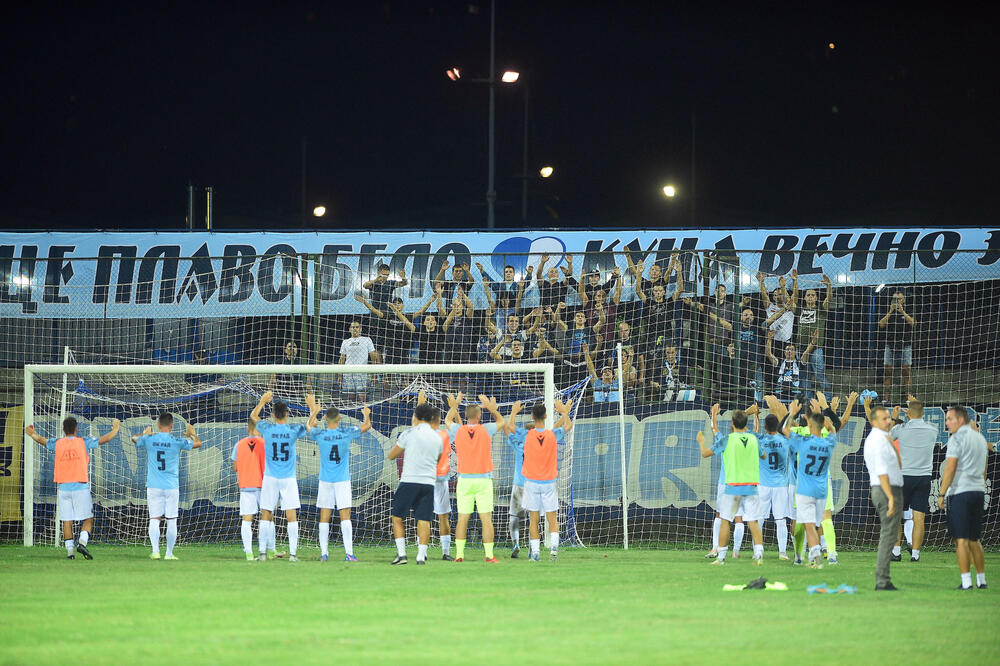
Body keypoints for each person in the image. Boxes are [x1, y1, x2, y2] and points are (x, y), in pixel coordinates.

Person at [25, 416, 120, 559]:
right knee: (88, 519)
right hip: (80, 487)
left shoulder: (58, 443)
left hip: (63, 488)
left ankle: (70, 553)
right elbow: (104, 439)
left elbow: (41, 440)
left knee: (67, 521)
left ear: (63, 430)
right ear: (76, 429)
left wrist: (31, 433)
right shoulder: (84, 442)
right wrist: (115, 429)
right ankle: (82, 543)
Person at [698, 404, 765, 566]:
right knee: (753, 521)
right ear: (745, 425)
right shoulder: (753, 439)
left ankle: (721, 557)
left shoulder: (726, 440)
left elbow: (705, 454)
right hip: (751, 486)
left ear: (731, 425)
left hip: (733, 486)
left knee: (725, 520)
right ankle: (758, 554)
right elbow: (763, 456)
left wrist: (701, 442)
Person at [444, 393, 506, 563]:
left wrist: (455, 404)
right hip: (483, 480)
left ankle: (459, 555)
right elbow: (502, 422)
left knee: (462, 518)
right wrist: (492, 409)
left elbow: (447, 421)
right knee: (486, 519)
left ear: (466, 416)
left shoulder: (458, 430)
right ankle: (488, 555)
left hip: (464, 480)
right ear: (479, 416)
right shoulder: (486, 428)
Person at [133, 412, 203, 560]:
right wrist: (192, 434)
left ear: (158, 424)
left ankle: (155, 551)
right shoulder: (177, 441)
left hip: (154, 485)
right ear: (172, 426)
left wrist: (145, 434)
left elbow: (134, 439)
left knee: (154, 518)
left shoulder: (150, 439)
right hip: (171, 486)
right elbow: (198, 443)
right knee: (171, 520)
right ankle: (169, 554)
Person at [308, 403, 371, 562]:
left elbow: (309, 426)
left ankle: (324, 554)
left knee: (324, 517)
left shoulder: (320, 434)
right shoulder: (346, 433)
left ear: (325, 418)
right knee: (345, 516)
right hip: (342, 480)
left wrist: (313, 410)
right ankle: (349, 553)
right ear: (340, 418)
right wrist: (366, 414)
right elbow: (367, 426)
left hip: (325, 481)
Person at [251, 391, 309, 562]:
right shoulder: (293, 430)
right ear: (287, 414)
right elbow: (308, 426)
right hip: (288, 478)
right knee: (291, 516)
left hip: (270, 477)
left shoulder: (267, 428)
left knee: (266, 513)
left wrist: (262, 401)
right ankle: (292, 555)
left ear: (273, 414)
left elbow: (253, 416)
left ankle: (262, 554)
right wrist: (313, 409)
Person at [387, 401, 448, 565]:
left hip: (409, 481)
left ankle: (402, 555)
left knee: (398, 517)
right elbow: (438, 459)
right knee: (424, 519)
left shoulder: (408, 434)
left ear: (416, 416)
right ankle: (421, 556)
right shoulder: (437, 437)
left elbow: (392, 455)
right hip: (428, 483)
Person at [782, 396, 838, 569]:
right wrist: (828, 414)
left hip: (805, 487)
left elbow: (783, 429)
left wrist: (791, 414)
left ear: (808, 422)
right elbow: (834, 428)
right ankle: (831, 554)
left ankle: (803, 555)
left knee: (804, 524)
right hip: (822, 488)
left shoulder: (802, 439)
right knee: (823, 520)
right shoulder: (829, 441)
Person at [938, 406, 988, 590]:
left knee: (961, 539)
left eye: (949, 419)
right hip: (977, 491)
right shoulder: (980, 439)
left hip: (960, 492)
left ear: (960, 420)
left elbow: (950, 467)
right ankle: (981, 580)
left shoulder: (957, 438)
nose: (947, 423)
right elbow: (984, 467)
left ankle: (966, 581)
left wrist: (942, 493)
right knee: (975, 538)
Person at [521, 400, 574, 561]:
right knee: (552, 518)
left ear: (532, 416)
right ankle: (554, 552)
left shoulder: (526, 435)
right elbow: (567, 426)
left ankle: (535, 553)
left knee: (534, 520)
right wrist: (564, 412)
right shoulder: (552, 435)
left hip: (531, 482)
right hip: (549, 482)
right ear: (545, 416)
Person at [889, 398, 938, 562]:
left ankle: (896, 552)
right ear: (923, 413)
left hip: (903, 476)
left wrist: (895, 418)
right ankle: (915, 554)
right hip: (924, 477)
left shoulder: (900, 429)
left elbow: (888, 437)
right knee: (919, 517)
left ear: (907, 413)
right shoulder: (933, 429)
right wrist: (916, 404)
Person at [862, 403, 902, 590]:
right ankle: (882, 580)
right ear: (873, 421)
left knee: (890, 534)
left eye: (889, 418)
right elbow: (882, 471)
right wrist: (891, 497)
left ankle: (884, 579)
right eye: (884, 418)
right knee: (888, 535)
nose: (888, 421)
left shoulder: (884, 437)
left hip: (888, 487)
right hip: (885, 489)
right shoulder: (877, 440)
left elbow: (897, 463)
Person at [753, 412, 791, 559]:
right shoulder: (785, 440)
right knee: (780, 520)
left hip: (763, 485)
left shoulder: (760, 439)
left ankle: (758, 552)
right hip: (781, 485)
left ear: (765, 426)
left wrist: (755, 415)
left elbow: (754, 433)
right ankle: (782, 552)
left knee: (759, 519)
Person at [231, 419, 266, 561]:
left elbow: (235, 467)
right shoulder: (264, 443)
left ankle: (249, 553)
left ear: (248, 428)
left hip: (246, 485)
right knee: (266, 517)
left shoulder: (239, 444)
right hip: (263, 485)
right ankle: (267, 551)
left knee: (247, 519)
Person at [793, 272, 832, 393]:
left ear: (816, 298)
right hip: (801, 347)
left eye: (813, 295)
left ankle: (828, 401)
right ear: (804, 298)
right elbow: (792, 300)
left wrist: (828, 286)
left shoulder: (821, 309)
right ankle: (808, 403)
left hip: (816, 348)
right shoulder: (800, 309)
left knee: (819, 374)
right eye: (808, 295)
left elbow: (829, 299)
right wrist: (795, 280)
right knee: (804, 376)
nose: (810, 296)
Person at [878, 290, 916, 404]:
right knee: (888, 372)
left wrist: (902, 311)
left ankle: (908, 398)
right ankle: (886, 398)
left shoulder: (908, 309)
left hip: (905, 346)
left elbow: (913, 323)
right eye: (894, 299)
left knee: (906, 372)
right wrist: (890, 311)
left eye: (899, 299)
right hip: (890, 346)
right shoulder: (888, 311)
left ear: (903, 300)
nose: (897, 301)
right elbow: (881, 324)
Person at [503, 400, 528, 558]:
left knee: (514, 516)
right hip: (535, 484)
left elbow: (507, 428)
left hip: (519, 484)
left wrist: (513, 412)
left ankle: (516, 543)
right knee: (534, 517)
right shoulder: (541, 443)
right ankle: (534, 547)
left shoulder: (519, 445)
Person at [765, 331, 817, 399]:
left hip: (795, 393)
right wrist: (769, 339)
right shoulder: (779, 362)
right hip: (781, 392)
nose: (789, 351)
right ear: (784, 352)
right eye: (787, 349)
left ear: (795, 352)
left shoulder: (800, 363)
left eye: (792, 349)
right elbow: (768, 353)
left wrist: (813, 341)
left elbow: (807, 351)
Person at [338, 320, 380, 400]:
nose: (355, 329)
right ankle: (353, 412)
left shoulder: (367, 340)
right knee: (351, 396)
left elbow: (373, 356)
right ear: (349, 329)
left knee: (362, 396)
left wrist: (374, 373)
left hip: (362, 372)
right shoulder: (345, 342)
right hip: (348, 372)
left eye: (357, 327)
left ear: (360, 329)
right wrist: (340, 375)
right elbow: (342, 358)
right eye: (353, 327)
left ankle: (364, 412)